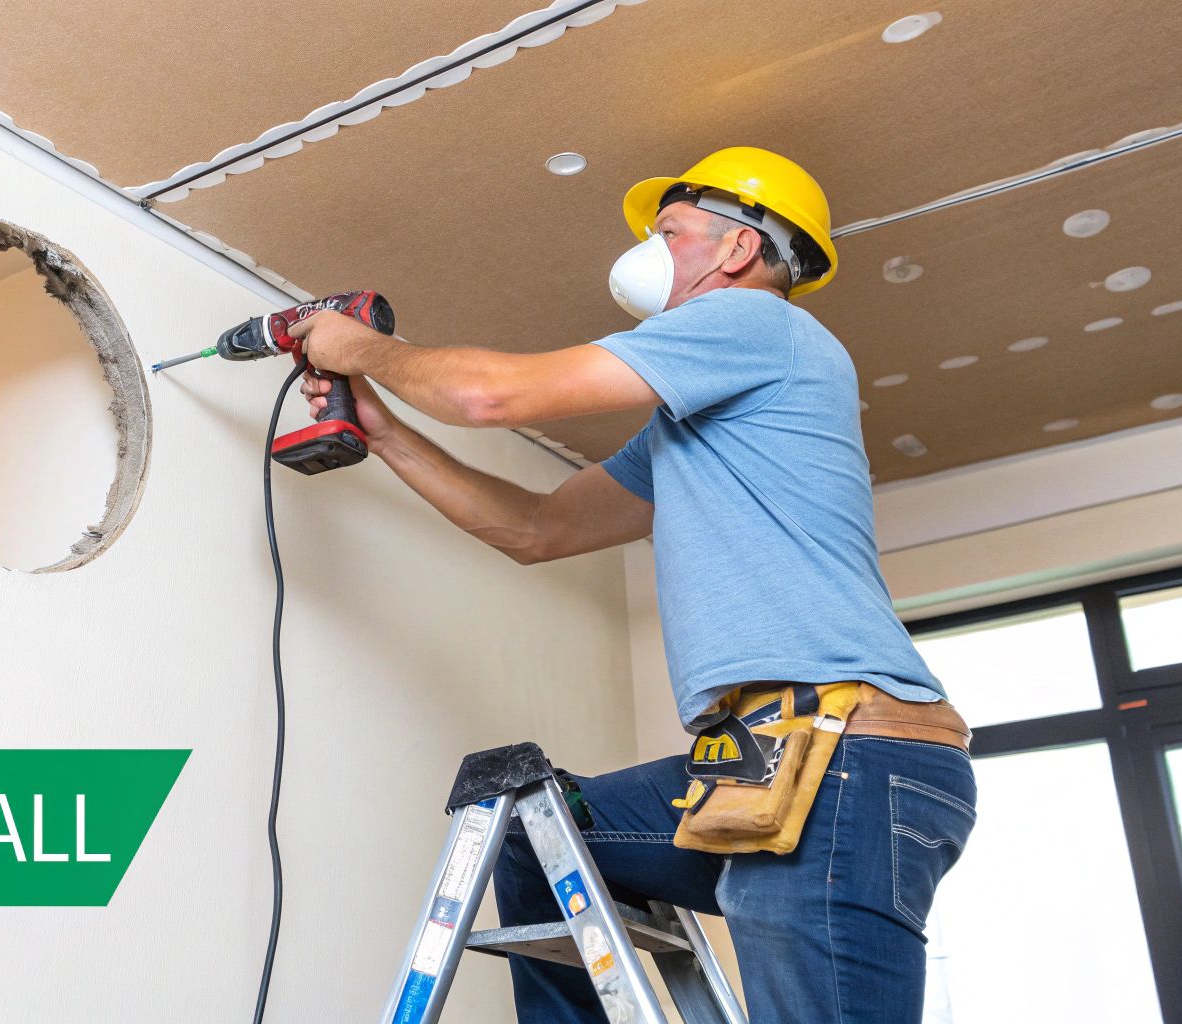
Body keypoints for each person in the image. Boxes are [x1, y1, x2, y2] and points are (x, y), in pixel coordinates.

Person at [289, 147, 977, 1022]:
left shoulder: (755, 324)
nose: (653, 249)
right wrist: (383, 432)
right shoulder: (694, 419)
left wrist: (365, 347)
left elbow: (489, 397)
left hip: (845, 754)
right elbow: (538, 529)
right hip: (757, 753)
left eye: (672, 230)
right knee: (535, 838)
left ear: (735, 251)